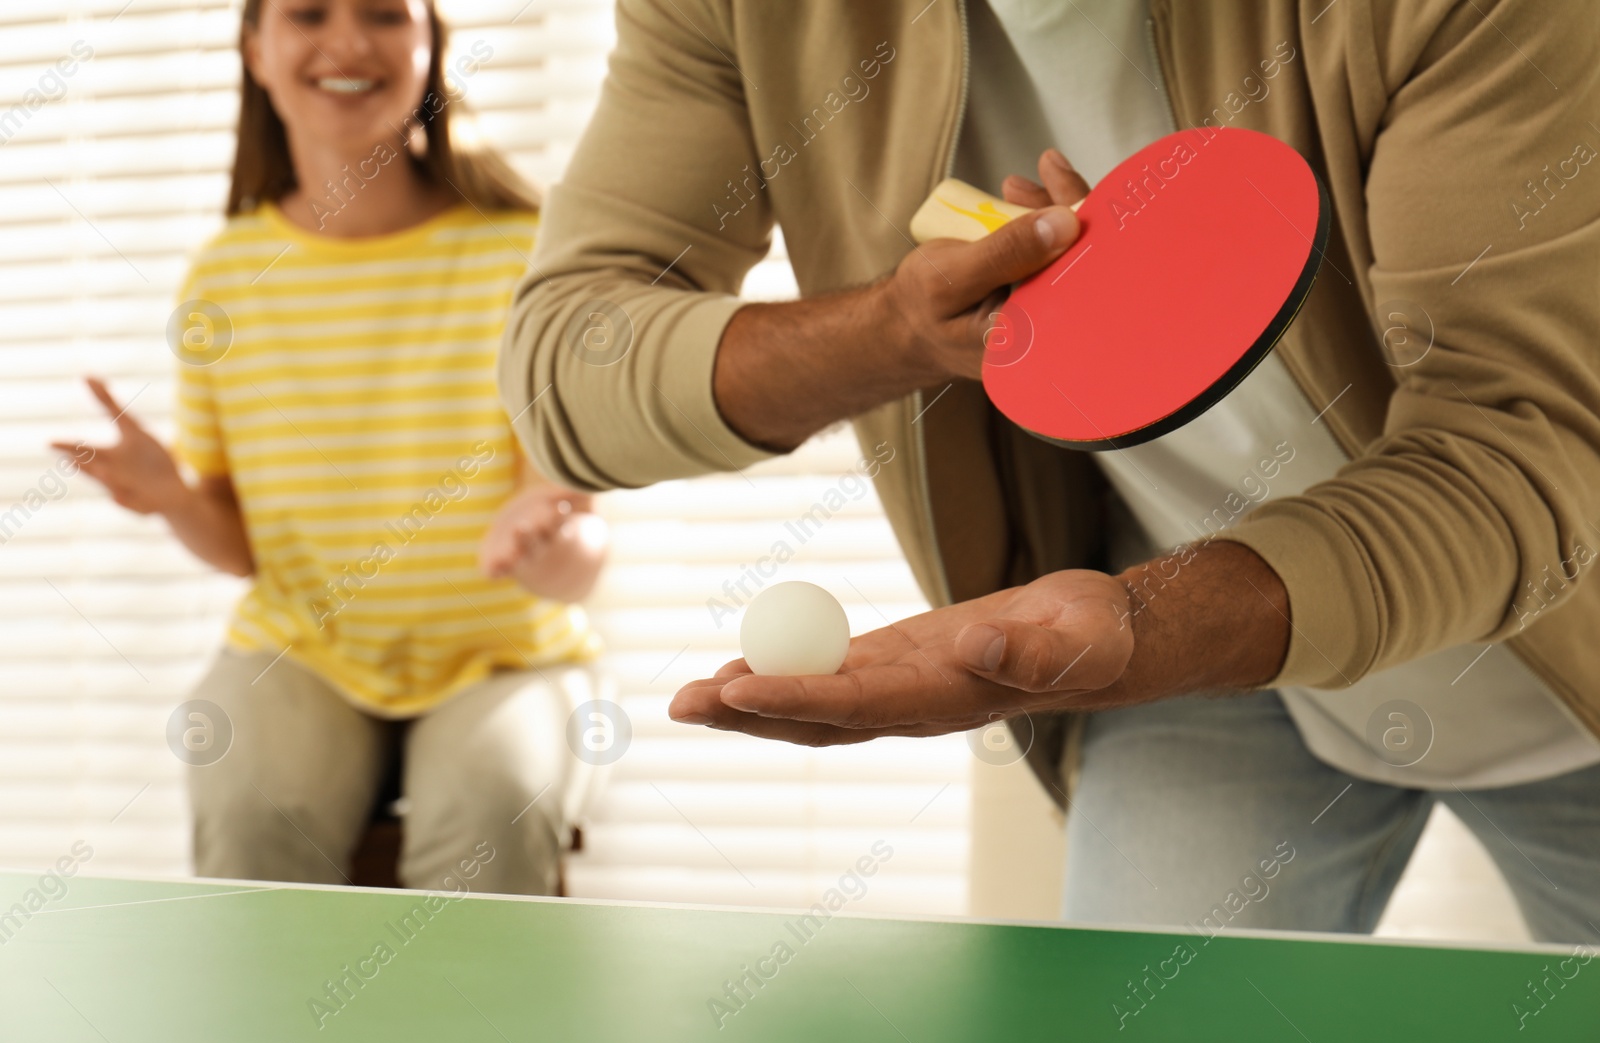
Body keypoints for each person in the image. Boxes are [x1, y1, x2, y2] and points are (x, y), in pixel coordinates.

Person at [499, 0, 1600, 942]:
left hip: (1557, 639)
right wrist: (896, 330)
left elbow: (1513, 442)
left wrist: (1145, 628)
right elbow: (563, 368)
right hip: (1203, 644)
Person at [55, 0, 607, 895]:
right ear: (257, 53)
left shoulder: (525, 255)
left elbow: (577, 553)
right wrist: (175, 500)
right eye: (309, 14)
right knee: (250, 808)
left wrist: (550, 544)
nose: (348, 41)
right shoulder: (225, 278)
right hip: (300, 653)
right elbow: (242, 549)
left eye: (385, 15)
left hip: (506, 659)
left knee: (493, 806)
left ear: (430, 46)